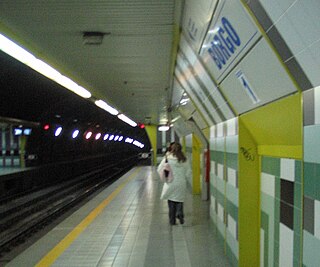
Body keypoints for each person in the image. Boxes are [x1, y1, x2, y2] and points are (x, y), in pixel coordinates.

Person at [157, 142, 191, 225]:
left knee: (171, 201)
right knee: (179, 200)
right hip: (181, 182)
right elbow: (188, 172)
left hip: (170, 182)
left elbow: (159, 169)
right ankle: (179, 213)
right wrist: (185, 178)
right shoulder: (184, 159)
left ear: (171, 148)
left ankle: (172, 221)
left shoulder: (167, 158)